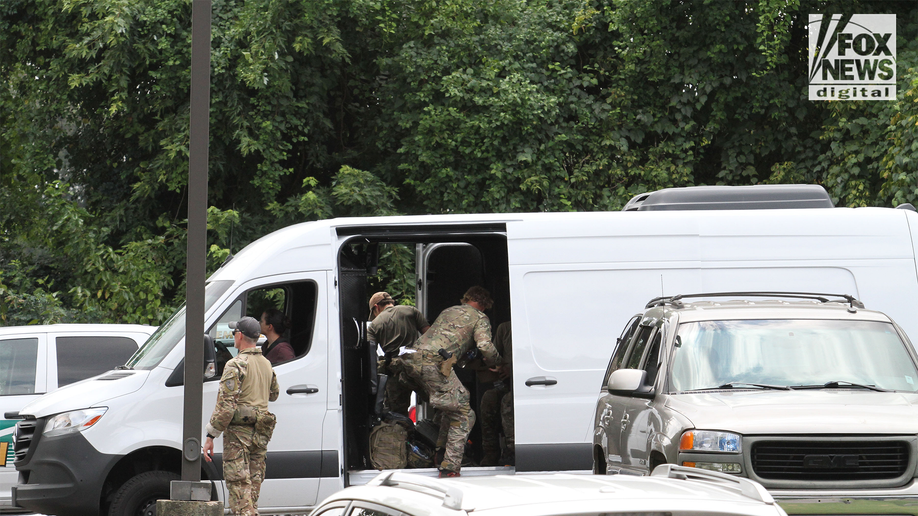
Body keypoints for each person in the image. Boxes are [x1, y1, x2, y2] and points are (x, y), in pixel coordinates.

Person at [401, 286, 501, 477]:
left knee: (451, 407)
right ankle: (450, 467)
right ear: (484, 305)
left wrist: (472, 362)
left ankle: (439, 453)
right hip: (432, 363)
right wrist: (497, 362)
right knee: (465, 413)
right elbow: (484, 345)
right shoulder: (480, 318)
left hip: (410, 360)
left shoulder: (449, 311)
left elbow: (451, 347)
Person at [203, 316, 280, 516]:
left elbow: (226, 407)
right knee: (252, 491)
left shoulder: (235, 364)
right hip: (261, 433)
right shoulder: (266, 364)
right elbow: (274, 394)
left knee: (239, 490)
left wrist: (211, 435)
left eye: (233, 333)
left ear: (239, 335)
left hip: (238, 435)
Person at [367, 292, 430, 417]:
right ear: (391, 302)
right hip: (419, 366)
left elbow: (370, 352)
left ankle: (402, 433)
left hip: (396, 372)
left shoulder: (374, 325)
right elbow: (430, 336)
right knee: (438, 401)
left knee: (396, 413)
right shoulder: (411, 311)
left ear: (376, 307)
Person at [479, 320, 513, 466]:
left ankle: (512, 452)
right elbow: (494, 357)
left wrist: (512, 369)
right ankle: (491, 453)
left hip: (527, 382)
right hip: (508, 383)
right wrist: (500, 367)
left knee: (508, 402)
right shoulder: (505, 328)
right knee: (489, 398)